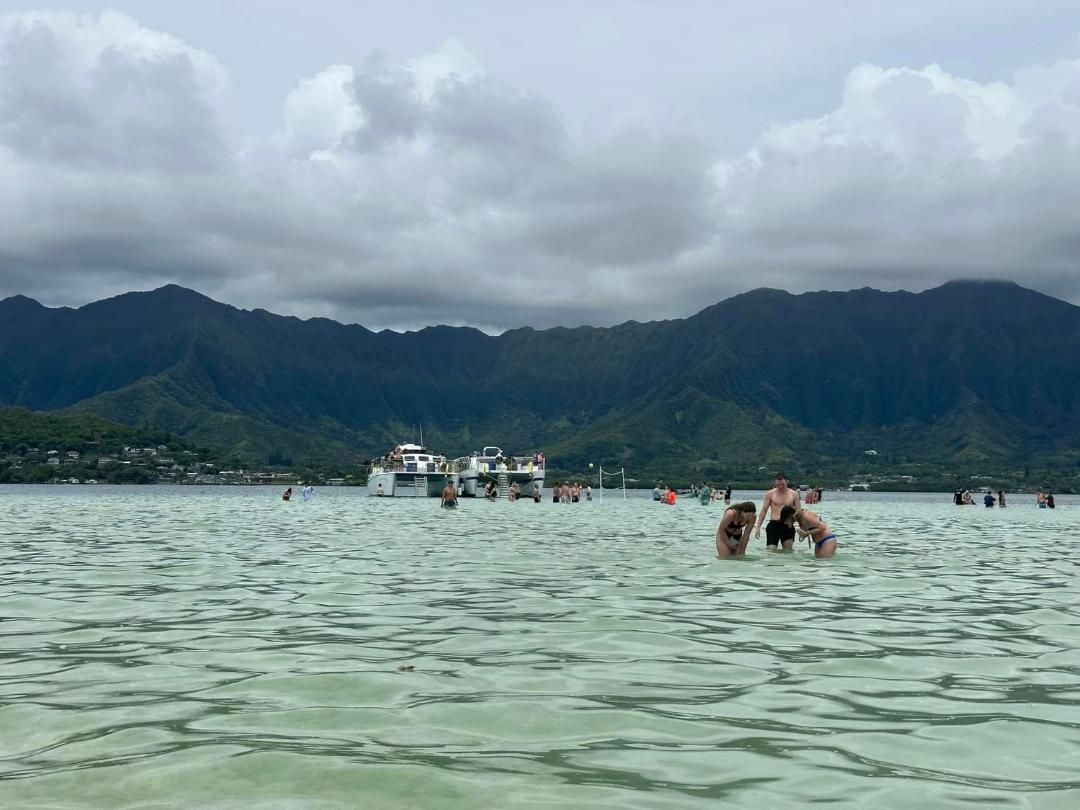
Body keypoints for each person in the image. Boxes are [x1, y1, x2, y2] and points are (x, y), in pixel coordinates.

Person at [755, 472, 801, 552]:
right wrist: (758, 527)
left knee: (788, 552)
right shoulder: (770, 493)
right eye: (778, 484)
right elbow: (764, 510)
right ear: (775, 483)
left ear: (787, 482)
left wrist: (801, 527)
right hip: (774, 524)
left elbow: (798, 512)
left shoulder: (794, 494)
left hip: (787, 525)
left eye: (782, 484)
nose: (780, 486)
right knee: (771, 551)